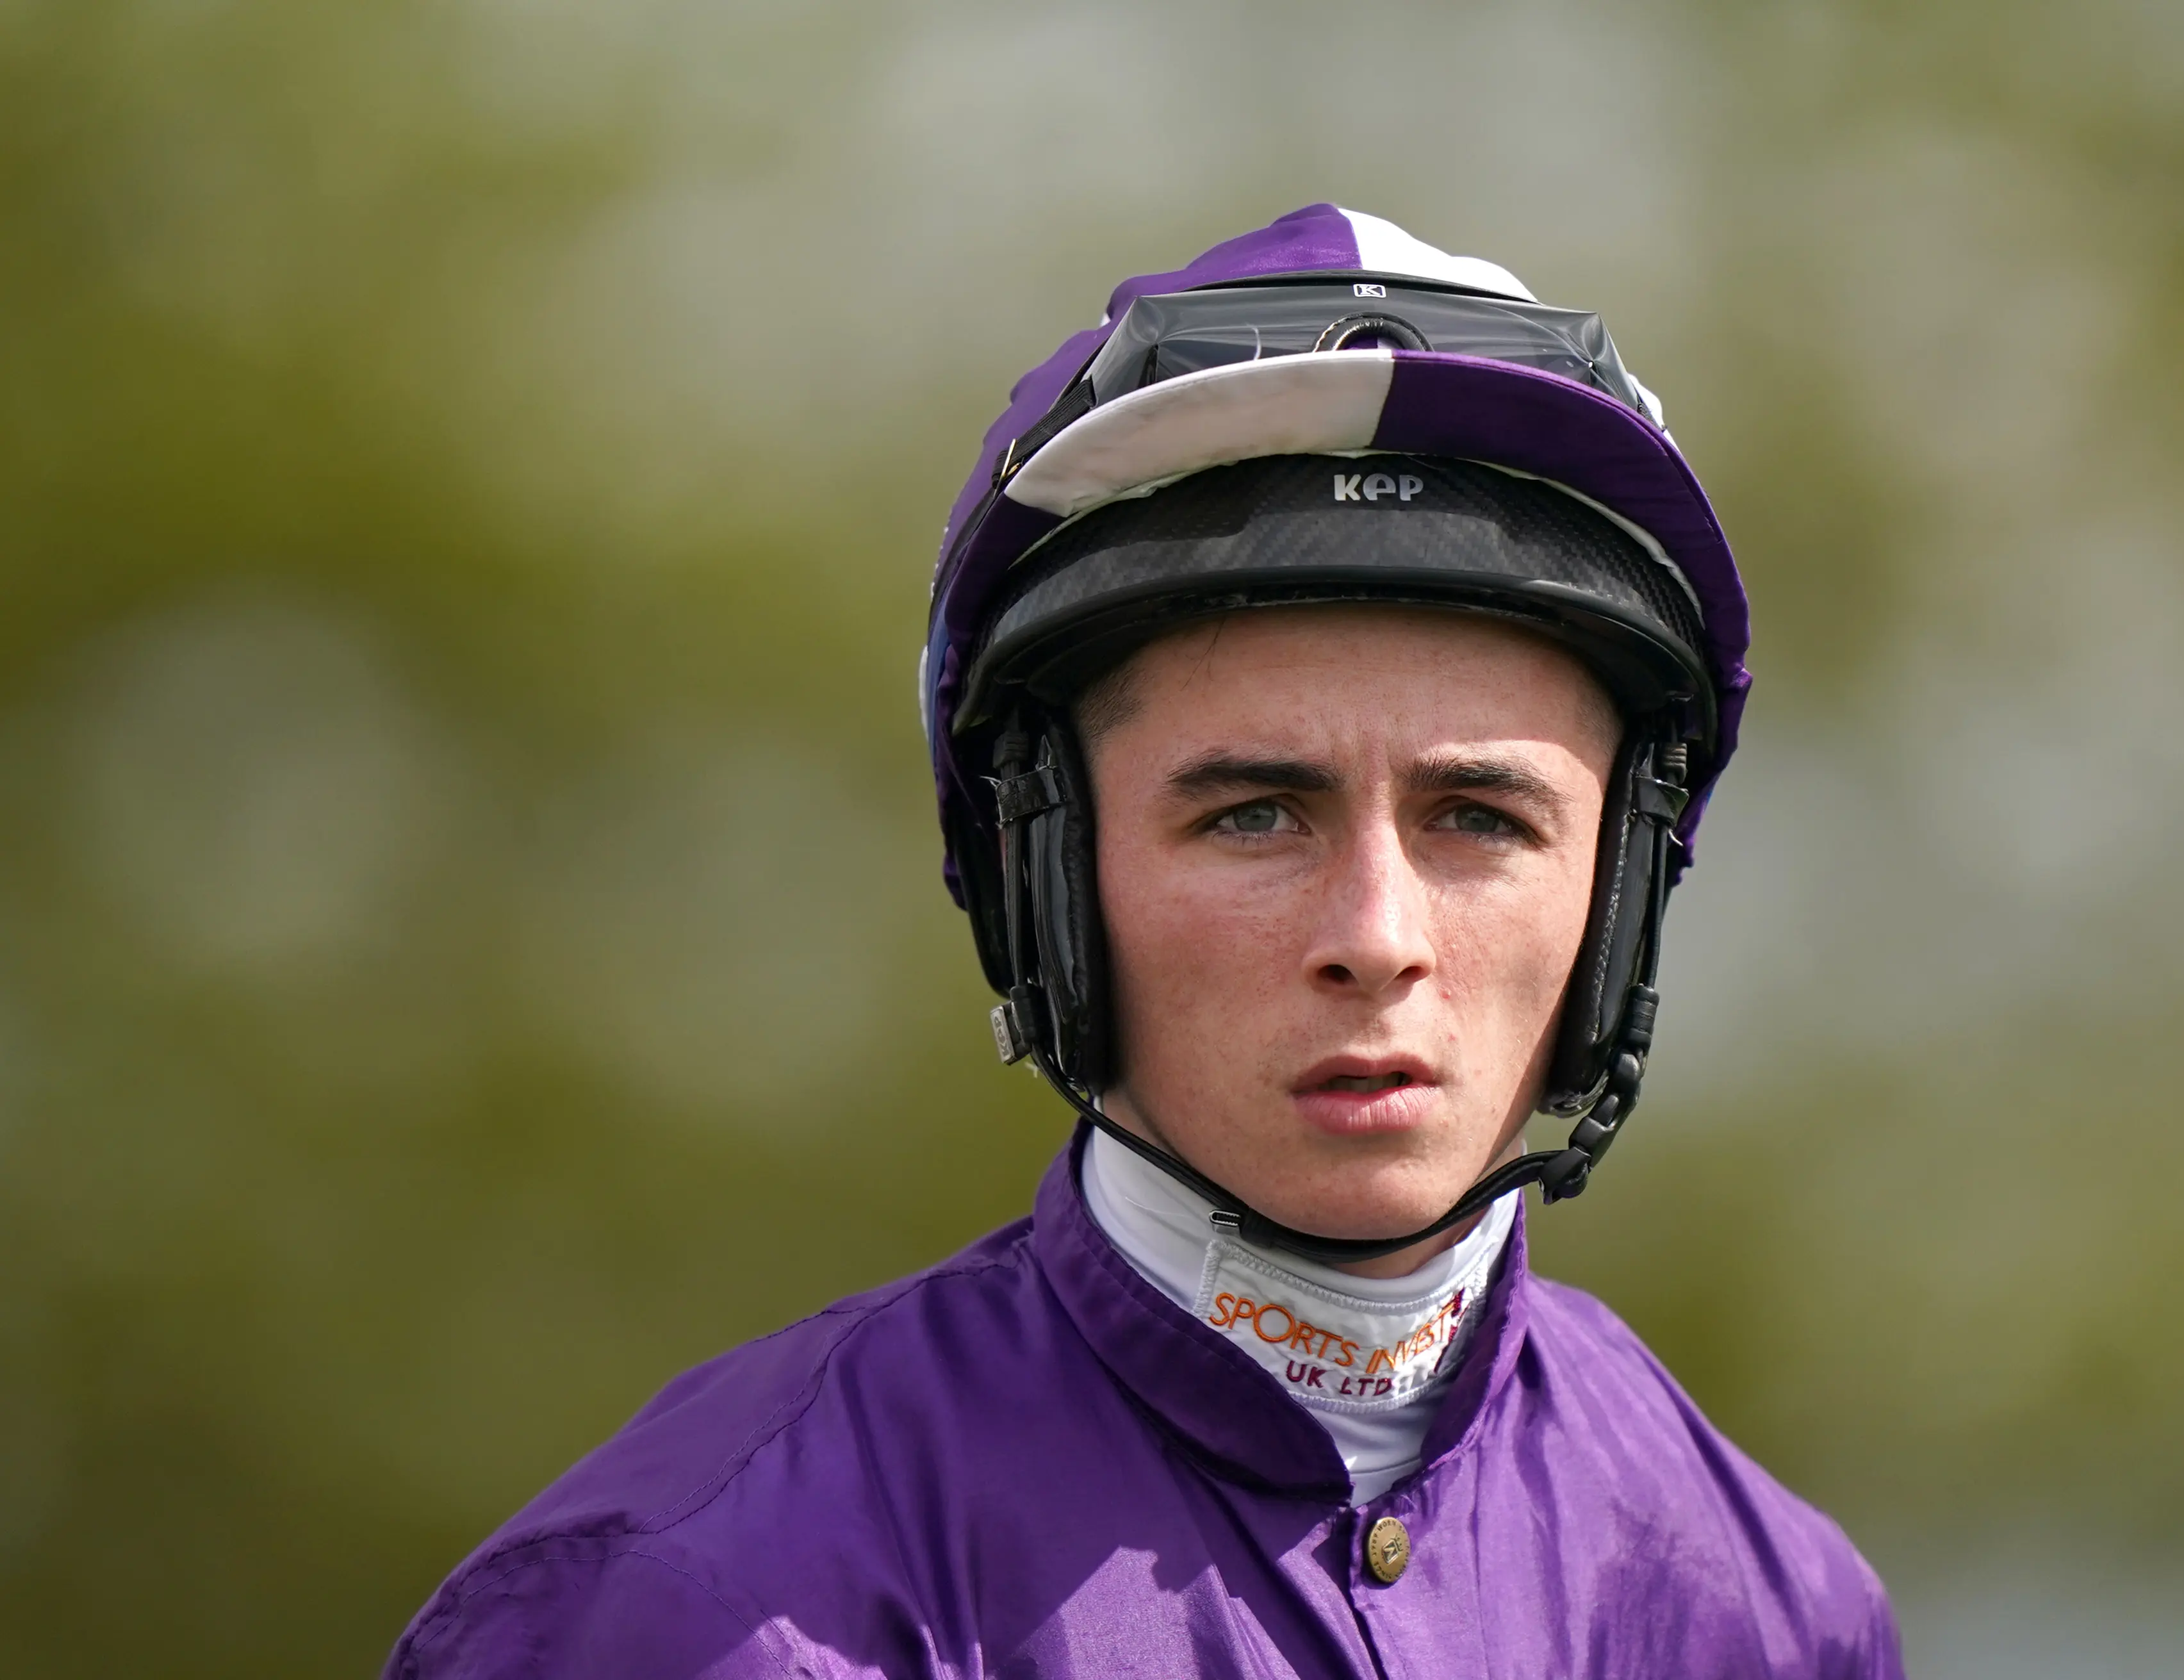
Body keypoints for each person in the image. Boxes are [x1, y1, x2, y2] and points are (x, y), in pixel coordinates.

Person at [386, 205, 1905, 1679]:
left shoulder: (1780, 1611)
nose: (1376, 938)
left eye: (1477, 818)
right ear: (1042, 882)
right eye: (1255, 816)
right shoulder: (694, 1609)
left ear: (1619, 891)